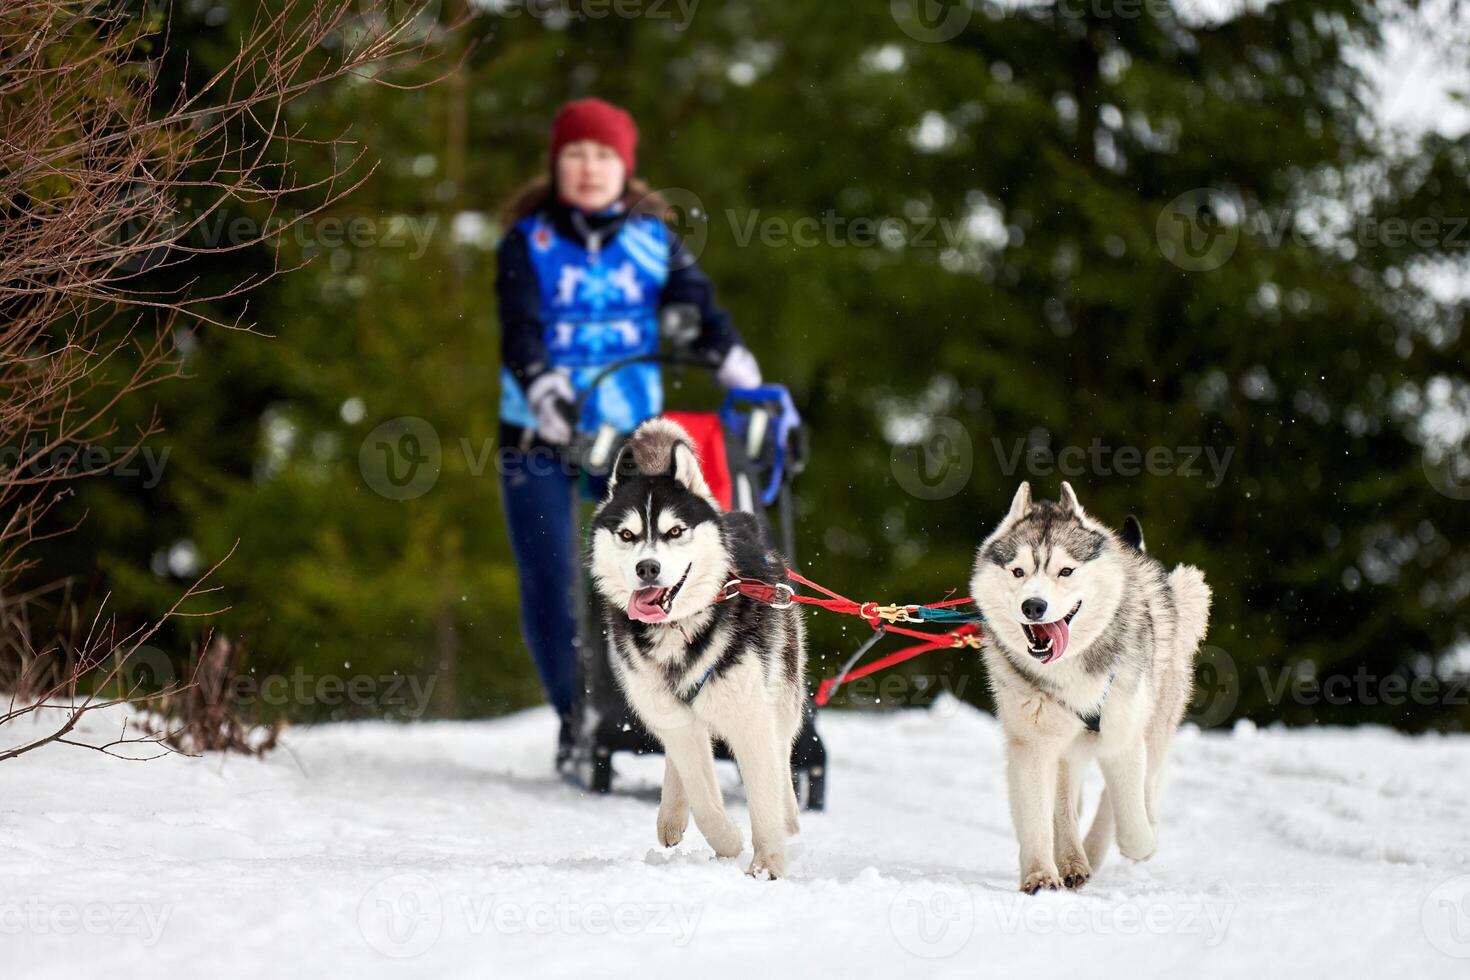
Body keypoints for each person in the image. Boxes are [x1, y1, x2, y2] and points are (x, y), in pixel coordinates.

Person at [494, 98, 762, 768]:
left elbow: (700, 309)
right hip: (539, 433)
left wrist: (735, 365)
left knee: (661, 563)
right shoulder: (528, 241)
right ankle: (576, 713)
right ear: (557, 163)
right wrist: (545, 388)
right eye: (577, 154)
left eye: (604, 155)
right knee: (553, 578)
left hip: (631, 440)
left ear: (625, 167)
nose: (590, 168)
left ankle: (673, 703)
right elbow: (521, 328)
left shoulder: (652, 240)